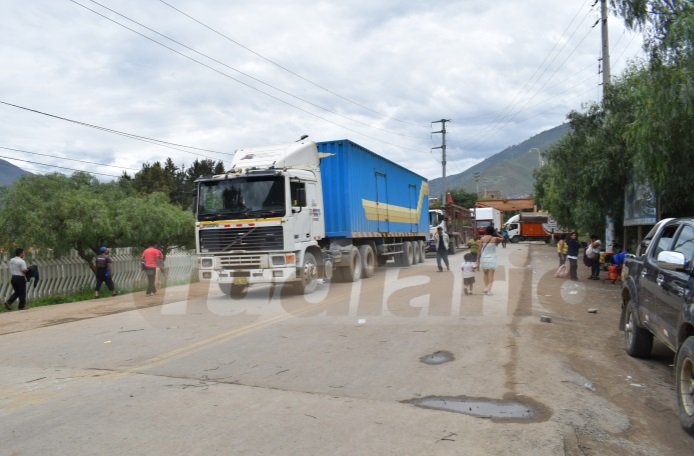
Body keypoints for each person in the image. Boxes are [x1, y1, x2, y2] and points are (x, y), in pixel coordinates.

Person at [477, 226, 504, 295]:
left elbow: (479, 250)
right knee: (491, 275)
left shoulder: (482, 238)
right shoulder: (495, 238)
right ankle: (489, 290)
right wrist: (497, 233)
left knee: (485, 274)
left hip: (484, 259)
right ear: (493, 231)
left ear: (486, 231)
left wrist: (478, 260)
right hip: (492, 258)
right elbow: (503, 238)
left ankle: (486, 288)